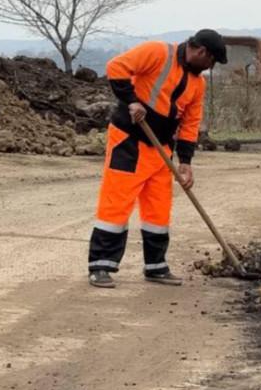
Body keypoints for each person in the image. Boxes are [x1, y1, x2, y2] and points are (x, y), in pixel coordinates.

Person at [87, 29, 227, 288]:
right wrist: (131, 101)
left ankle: (156, 266)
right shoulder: (158, 52)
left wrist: (185, 162)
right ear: (201, 52)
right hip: (129, 141)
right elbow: (116, 67)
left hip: (161, 148)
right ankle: (100, 265)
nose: (210, 67)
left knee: (158, 208)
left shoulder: (198, 84)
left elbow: (190, 123)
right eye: (212, 61)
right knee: (116, 203)